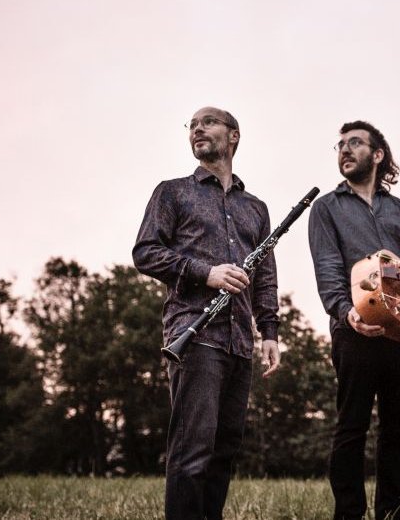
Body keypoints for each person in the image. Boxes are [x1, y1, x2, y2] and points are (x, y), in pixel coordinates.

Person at [133, 106, 281, 520]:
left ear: (233, 136)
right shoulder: (173, 192)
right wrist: (206, 272)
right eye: (192, 125)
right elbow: (145, 253)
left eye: (208, 122)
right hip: (194, 335)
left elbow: (264, 273)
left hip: (239, 342)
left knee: (223, 450)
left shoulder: (256, 208)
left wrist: (268, 331)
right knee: (192, 450)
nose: (197, 128)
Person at [308, 120, 400, 520]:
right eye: (340, 144)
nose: (344, 149)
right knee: (351, 429)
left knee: (398, 433)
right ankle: (349, 514)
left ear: (377, 155)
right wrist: (346, 313)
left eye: (355, 143)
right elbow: (327, 268)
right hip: (355, 332)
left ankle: (392, 512)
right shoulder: (326, 207)